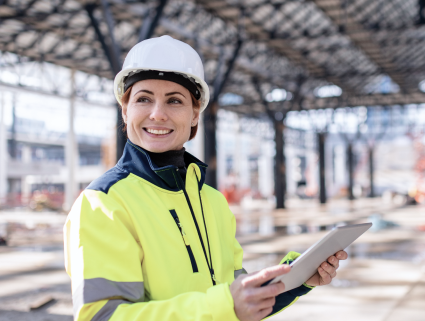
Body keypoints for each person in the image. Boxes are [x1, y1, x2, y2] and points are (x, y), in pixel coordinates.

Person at [63, 35, 347, 321]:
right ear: (125, 111)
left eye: (174, 101)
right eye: (143, 99)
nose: (158, 114)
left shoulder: (212, 202)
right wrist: (223, 306)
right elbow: (102, 316)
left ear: (195, 114)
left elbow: (237, 300)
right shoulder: (103, 203)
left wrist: (295, 279)